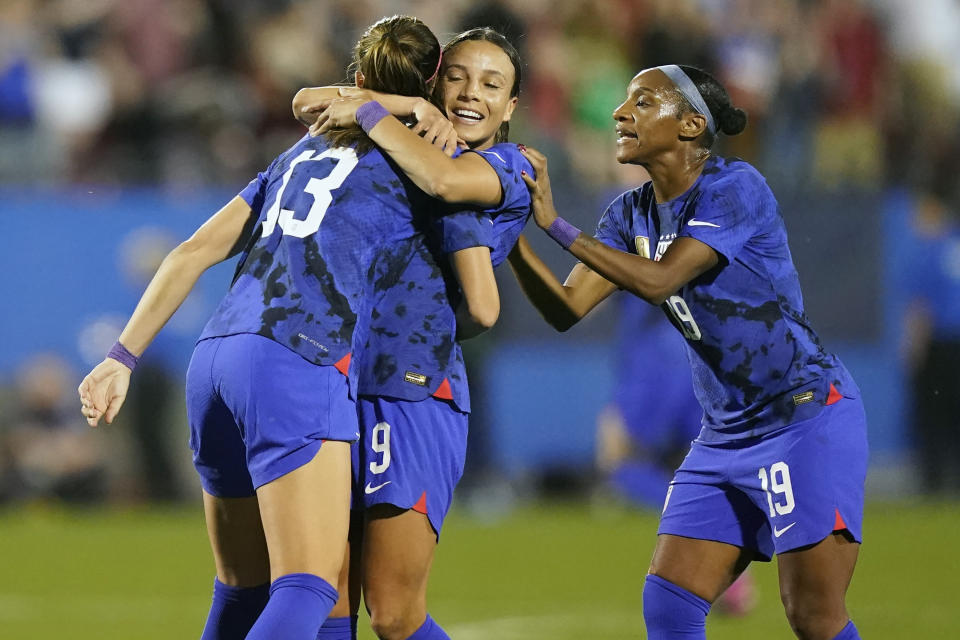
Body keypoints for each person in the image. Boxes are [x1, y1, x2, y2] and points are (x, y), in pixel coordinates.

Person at [78, 15, 454, 640]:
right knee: (309, 586)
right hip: (297, 358)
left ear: (356, 78)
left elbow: (190, 252)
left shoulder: (300, 152)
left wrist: (122, 355)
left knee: (240, 588)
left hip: (218, 359)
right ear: (435, 90)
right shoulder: (421, 158)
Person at [507, 65, 867, 640]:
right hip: (724, 433)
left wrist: (553, 224)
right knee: (670, 604)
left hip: (800, 419)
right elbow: (566, 309)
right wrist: (511, 241)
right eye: (624, 102)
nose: (621, 113)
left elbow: (658, 280)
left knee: (814, 618)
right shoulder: (629, 214)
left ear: (691, 124)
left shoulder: (735, 186)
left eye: (643, 102)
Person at [295, 27, 531, 640]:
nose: (470, 92)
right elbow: (307, 101)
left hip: (411, 393)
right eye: (457, 76)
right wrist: (405, 108)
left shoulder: (497, 164)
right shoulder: (414, 143)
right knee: (328, 596)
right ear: (434, 81)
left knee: (396, 614)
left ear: (511, 108)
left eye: (491, 83)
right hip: (344, 385)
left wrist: (376, 109)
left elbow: (482, 307)